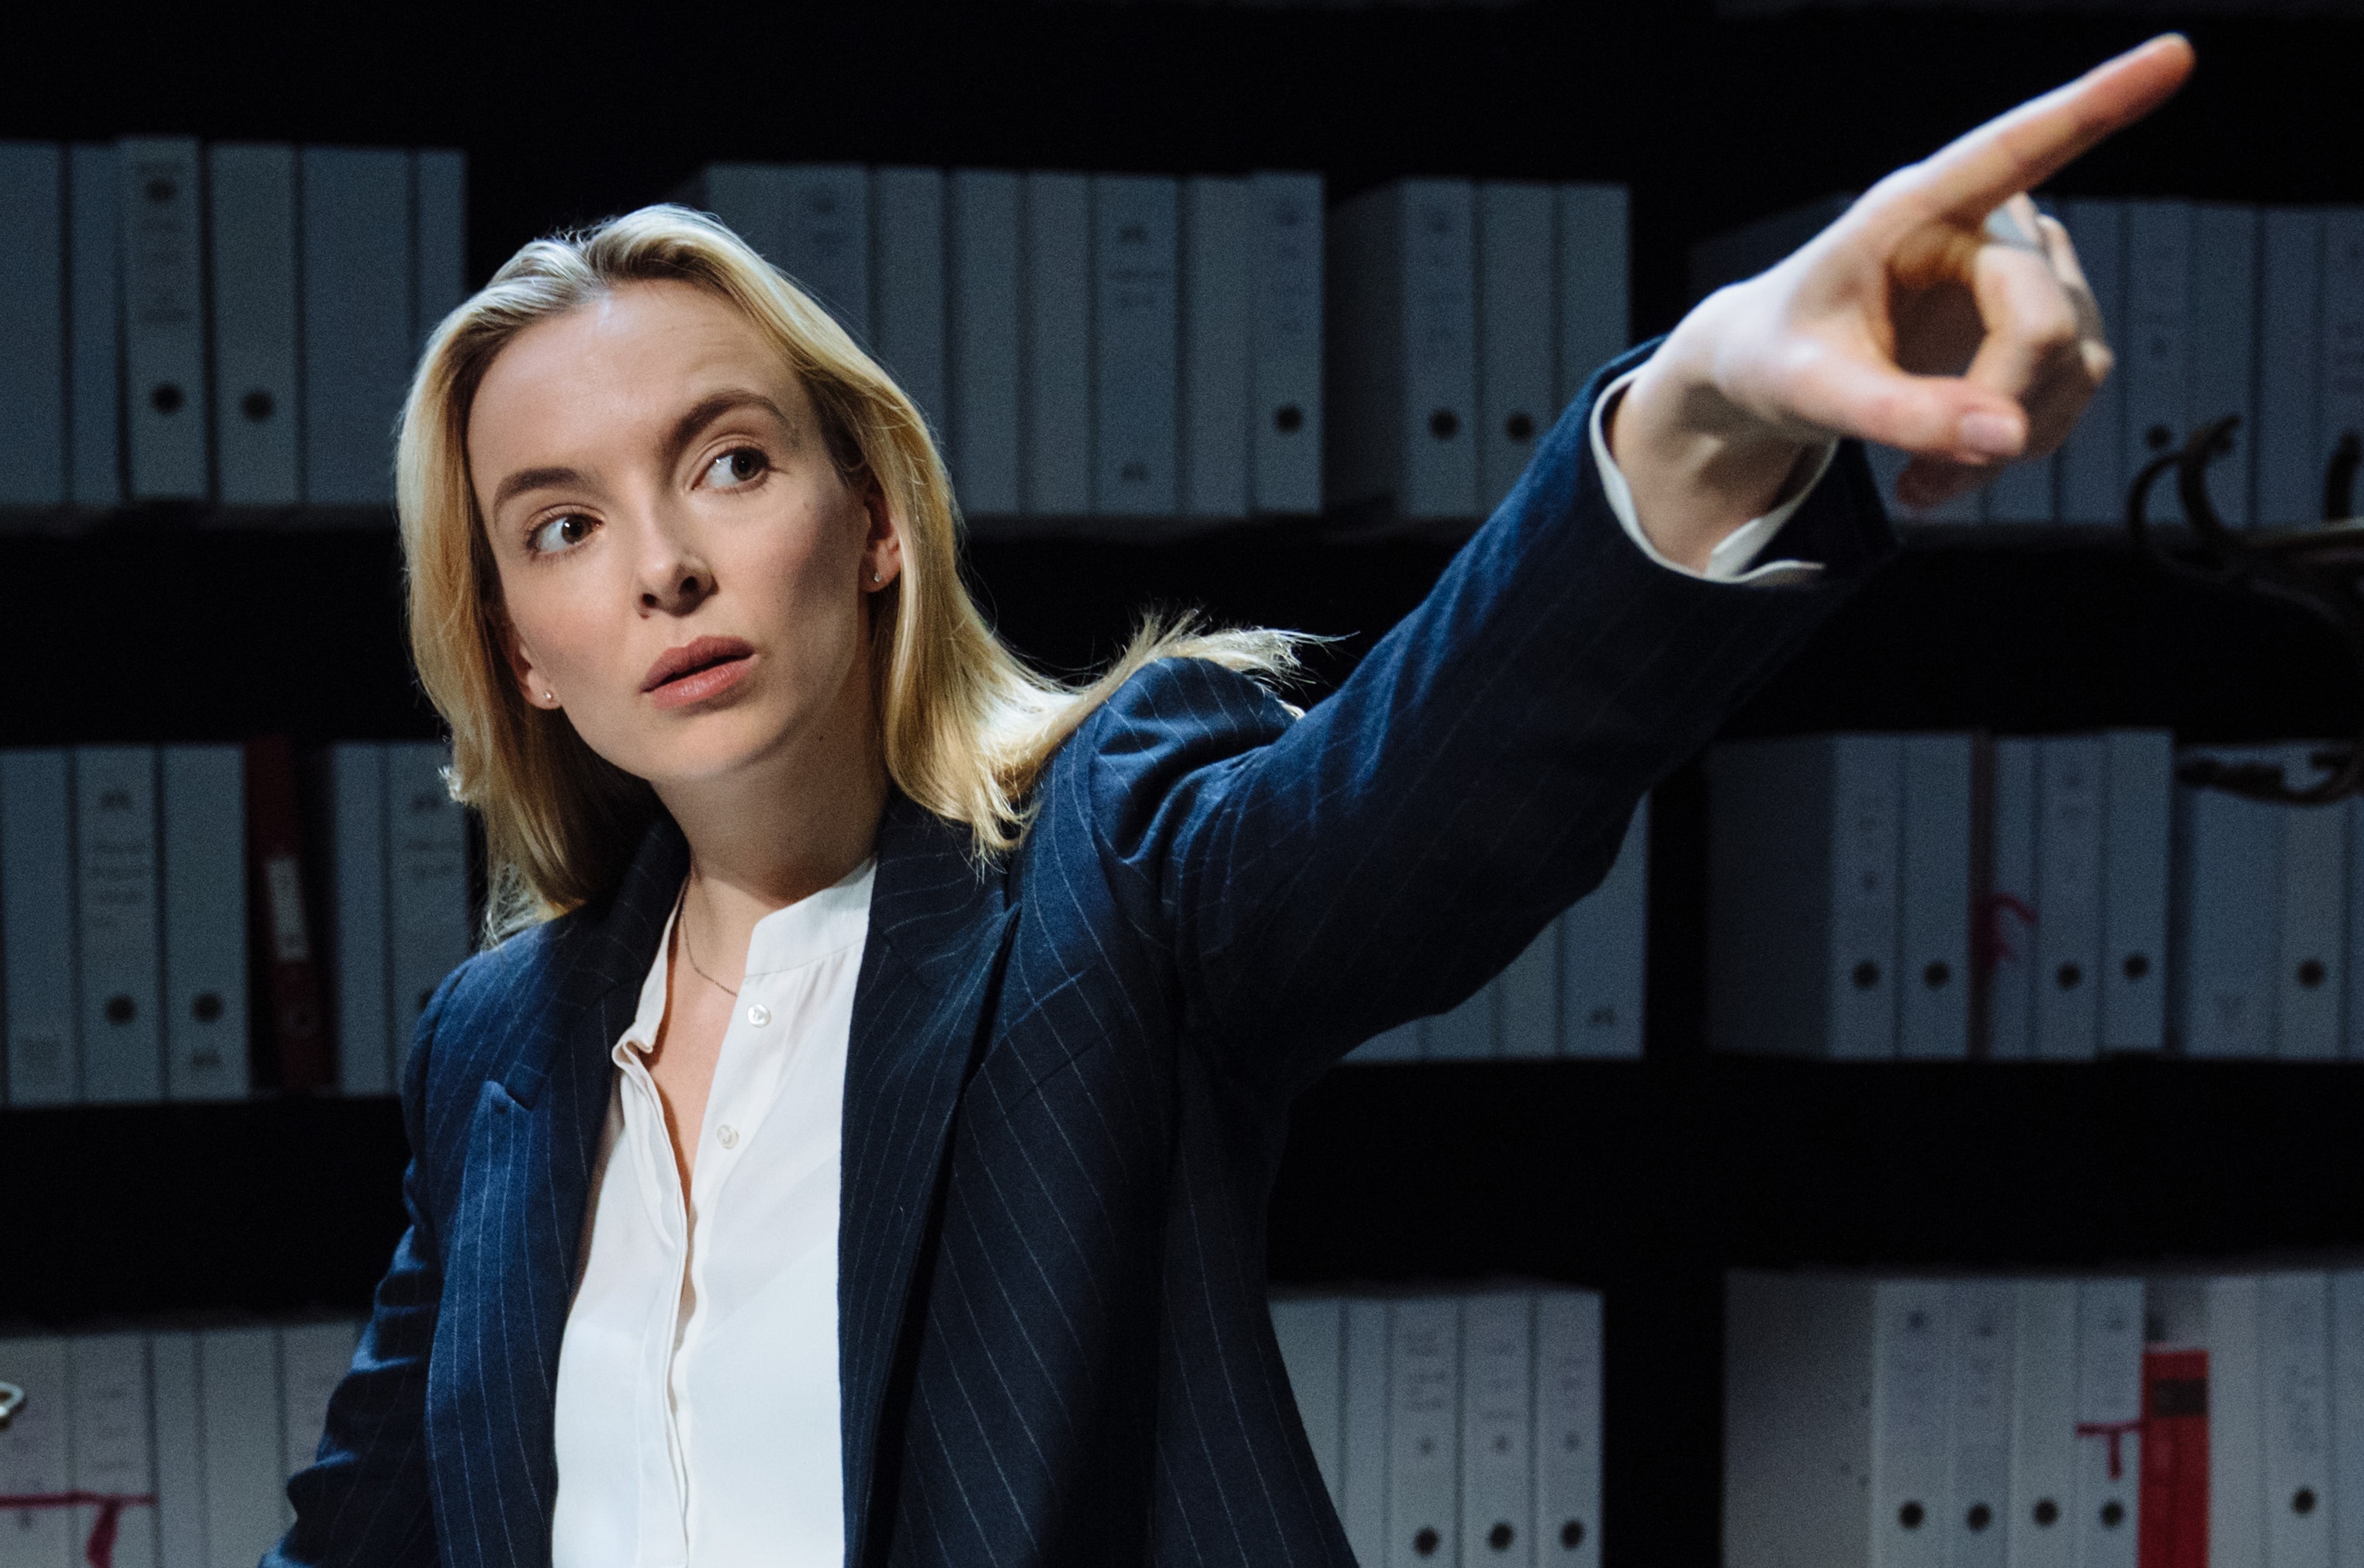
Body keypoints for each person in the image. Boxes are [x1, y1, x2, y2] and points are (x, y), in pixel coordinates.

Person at [266, 36, 2193, 1568]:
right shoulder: (498, 1047)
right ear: (518, 644)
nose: (665, 566)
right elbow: (371, 1531)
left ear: (867, 520)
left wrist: (1708, 416)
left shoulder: (1105, 870)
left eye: (734, 462)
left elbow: (1413, 804)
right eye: (566, 527)